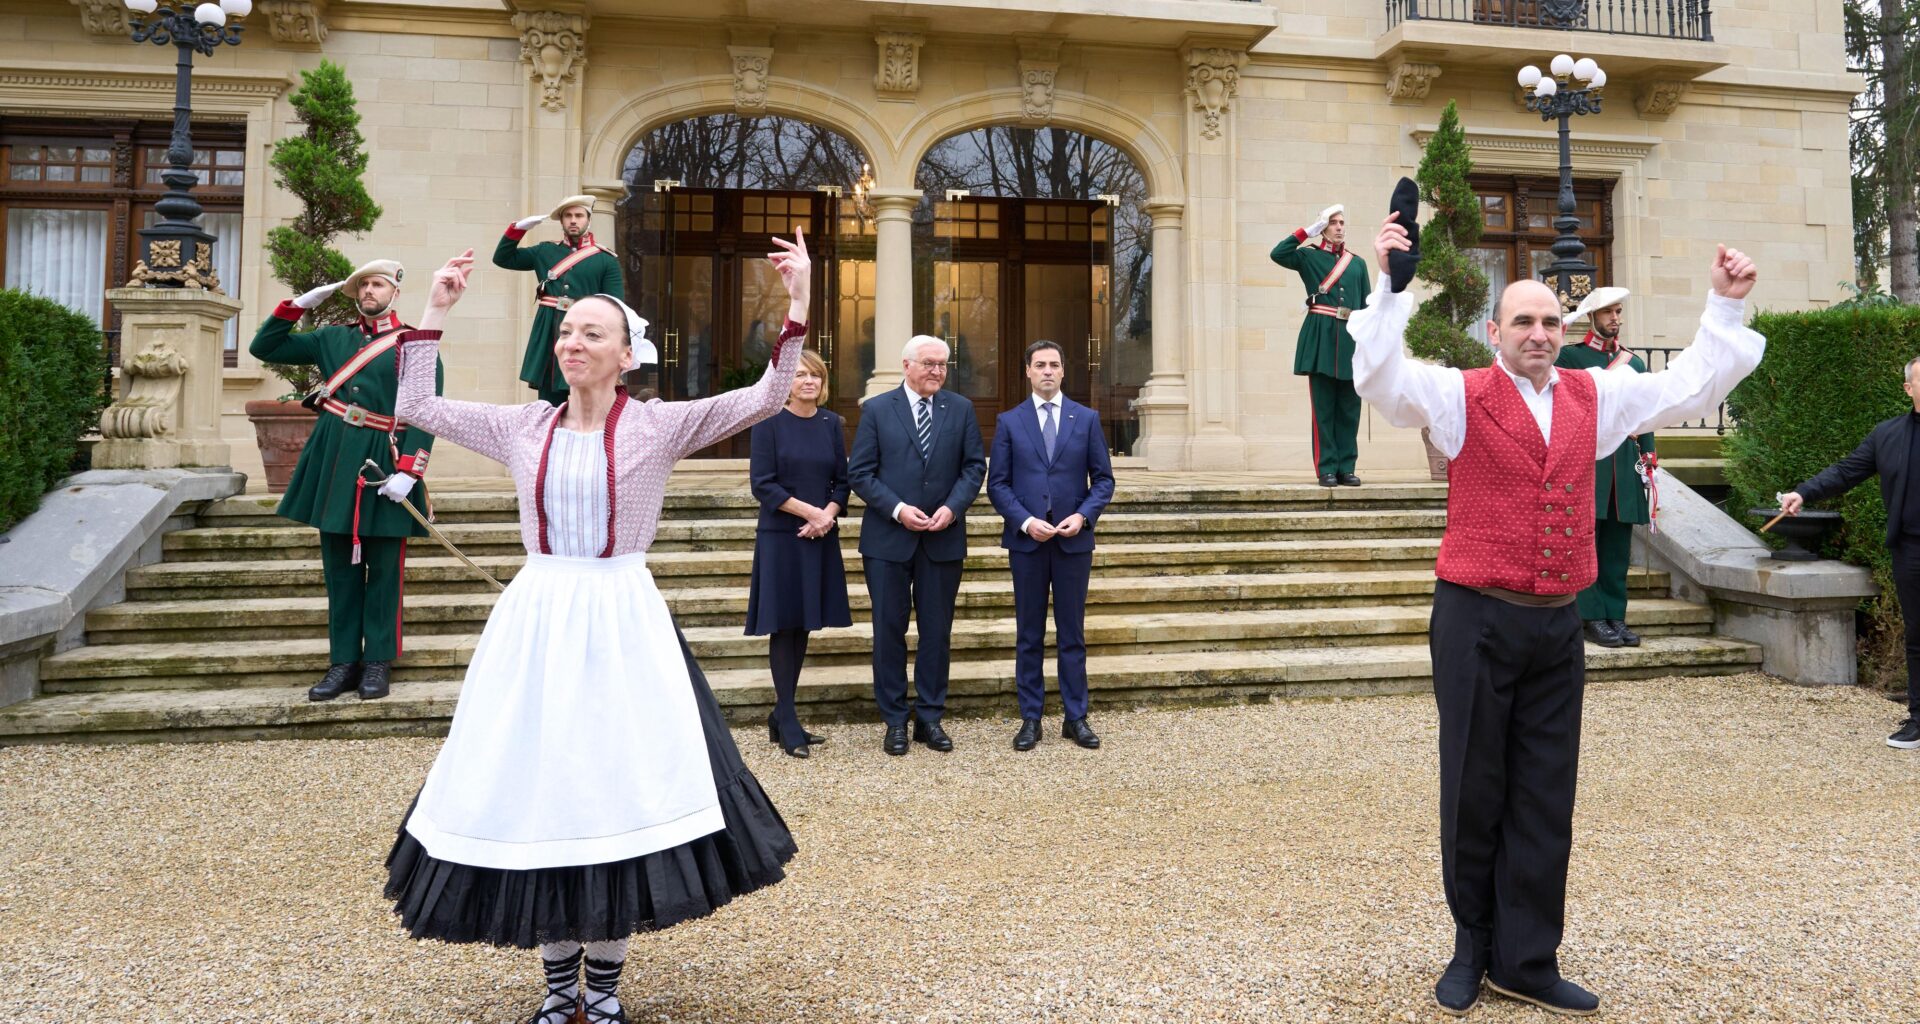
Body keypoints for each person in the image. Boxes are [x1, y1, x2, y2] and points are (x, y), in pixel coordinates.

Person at [383, 227, 809, 1024]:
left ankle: (604, 988)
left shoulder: (658, 426)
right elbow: (414, 406)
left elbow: (763, 397)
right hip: (538, 619)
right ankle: (556, 987)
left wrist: (799, 304)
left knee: (617, 786)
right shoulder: (521, 428)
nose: (572, 341)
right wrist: (432, 313)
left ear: (626, 356)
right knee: (541, 786)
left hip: (622, 622)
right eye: (567, 330)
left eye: (592, 332)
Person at [1353, 211, 1762, 1017]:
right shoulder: (1458, 393)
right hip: (1474, 614)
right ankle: (1473, 945)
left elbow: (1686, 390)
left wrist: (1724, 307)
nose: (1539, 333)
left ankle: (1528, 959)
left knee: (1545, 791)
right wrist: (1388, 286)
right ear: (1494, 330)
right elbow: (1379, 380)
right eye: (1524, 322)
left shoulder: (1595, 394)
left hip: (1555, 622)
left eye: (1549, 321)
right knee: (1476, 786)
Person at [248, 259, 443, 703]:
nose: (369, 291)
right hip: (334, 458)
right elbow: (266, 348)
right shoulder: (332, 337)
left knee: (385, 571)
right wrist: (295, 307)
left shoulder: (413, 344)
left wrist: (410, 471)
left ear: (395, 291)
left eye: (377, 284)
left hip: (383, 459)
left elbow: (426, 410)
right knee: (340, 569)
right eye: (362, 286)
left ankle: (377, 661)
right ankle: (342, 663)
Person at [847, 334, 987, 755]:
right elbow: (861, 473)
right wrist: (898, 509)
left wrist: (953, 508)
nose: (937, 371)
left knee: (936, 633)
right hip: (888, 540)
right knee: (888, 632)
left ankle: (929, 717)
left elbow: (973, 466)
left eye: (943, 364)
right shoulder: (876, 410)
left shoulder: (960, 409)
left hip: (943, 539)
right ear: (906, 365)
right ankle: (894, 721)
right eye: (929, 363)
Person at [1777, 357, 1920, 750]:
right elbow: (1845, 471)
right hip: (1910, 549)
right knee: (1918, 635)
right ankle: (1919, 719)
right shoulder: (1888, 435)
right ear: (1908, 389)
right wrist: (1803, 492)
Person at [986, 340, 1115, 751]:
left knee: (1072, 634)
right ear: (1027, 371)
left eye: (1054, 365)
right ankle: (1031, 718)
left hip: (1073, 543)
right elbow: (998, 484)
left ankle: (1076, 717)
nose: (1047, 371)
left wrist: (1083, 515)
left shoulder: (1087, 418)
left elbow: (1104, 480)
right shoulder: (1009, 421)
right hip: (1027, 544)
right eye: (1039, 364)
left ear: (1063, 372)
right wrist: (1024, 521)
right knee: (1028, 633)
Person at [745, 348, 851, 758]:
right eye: (800, 375)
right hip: (782, 535)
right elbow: (763, 484)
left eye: (816, 376)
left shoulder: (831, 424)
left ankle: (782, 714)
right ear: (785, 382)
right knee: (783, 623)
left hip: (819, 535)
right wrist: (809, 513)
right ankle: (787, 717)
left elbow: (841, 481)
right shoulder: (768, 423)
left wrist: (826, 515)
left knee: (804, 622)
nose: (808, 381)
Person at [1554, 287, 1656, 648]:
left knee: (1617, 547)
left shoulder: (1635, 363)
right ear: (1592, 318)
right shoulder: (1568, 359)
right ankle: (1592, 616)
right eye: (1609, 312)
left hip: (1625, 464)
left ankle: (1616, 616)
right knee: (1587, 544)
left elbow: (1644, 416)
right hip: (1587, 461)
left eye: (1618, 312)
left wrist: (1649, 456)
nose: (1616, 318)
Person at [1271, 203, 1371, 487]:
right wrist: (1306, 232)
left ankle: (1346, 467)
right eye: (1333, 222)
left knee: (1350, 409)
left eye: (1342, 222)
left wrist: (1369, 346)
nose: (1339, 227)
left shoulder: (1358, 263)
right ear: (1324, 228)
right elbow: (1278, 254)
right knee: (1324, 409)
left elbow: (1365, 308)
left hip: (1351, 339)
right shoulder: (1308, 258)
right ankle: (1326, 468)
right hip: (1321, 339)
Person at [495, 195, 625, 405]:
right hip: (549, 330)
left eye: (579, 215)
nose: (573, 220)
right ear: (562, 221)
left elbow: (616, 306)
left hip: (586, 331)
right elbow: (503, 258)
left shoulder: (605, 259)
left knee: (587, 396)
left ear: (588, 220)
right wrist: (518, 229)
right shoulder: (544, 251)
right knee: (549, 399)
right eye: (568, 216)